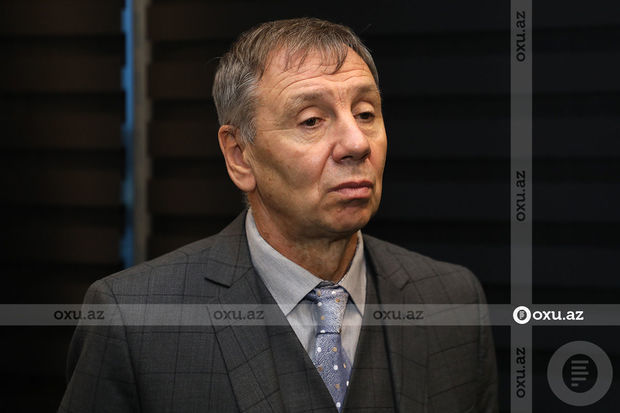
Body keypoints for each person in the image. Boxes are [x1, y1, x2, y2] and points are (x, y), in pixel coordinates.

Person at [60, 17, 497, 413]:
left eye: (366, 113)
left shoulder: (452, 300)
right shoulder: (134, 321)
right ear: (240, 156)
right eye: (312, 121)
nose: (356, 143)